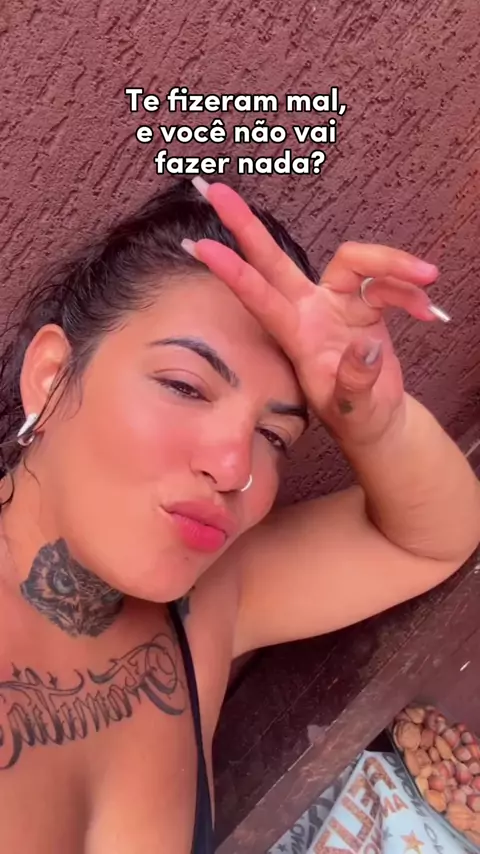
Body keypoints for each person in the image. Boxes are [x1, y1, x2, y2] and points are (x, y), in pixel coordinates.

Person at [0, 177, 478, 854]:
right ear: (50, 375)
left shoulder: (206, 605)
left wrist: (374, 422)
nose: (233, 469)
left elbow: (431, 540)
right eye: (185, 386)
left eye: (274, 436)